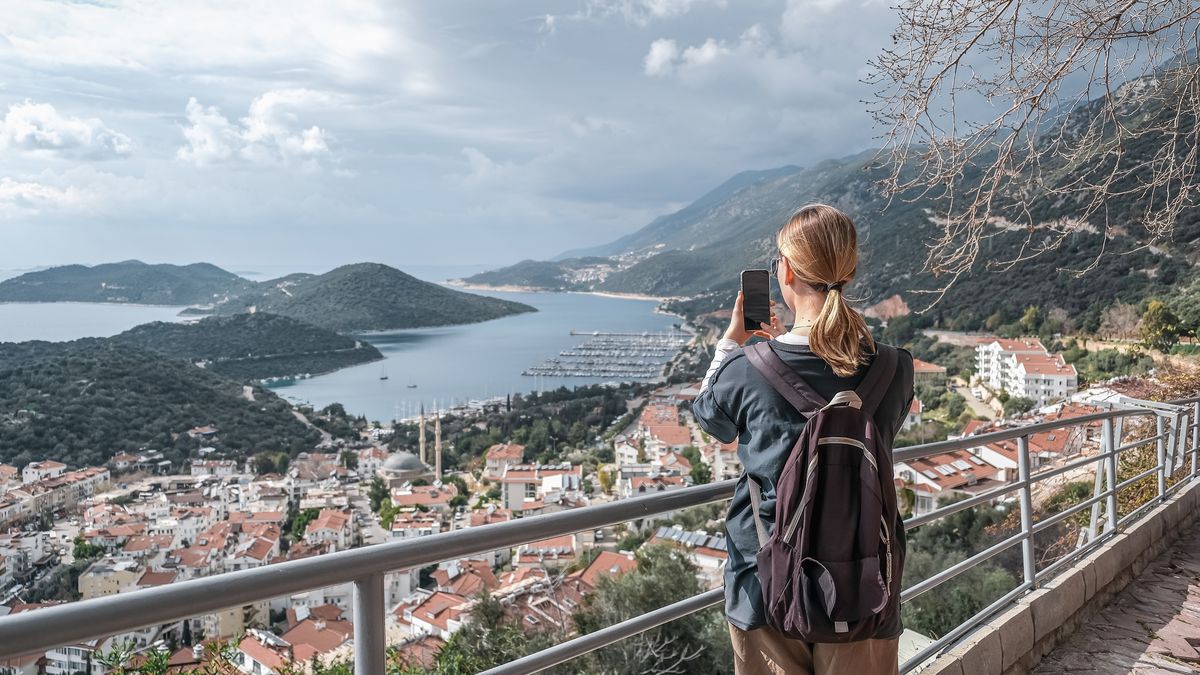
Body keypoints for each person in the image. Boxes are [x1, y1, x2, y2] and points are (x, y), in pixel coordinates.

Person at [692, 203, 914, 675]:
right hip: (865, 579)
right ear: (848, 271)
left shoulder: (746, 371)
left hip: (766, 581)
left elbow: (710, 418)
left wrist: (731, 343)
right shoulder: (897, 368)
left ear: (786, 271)